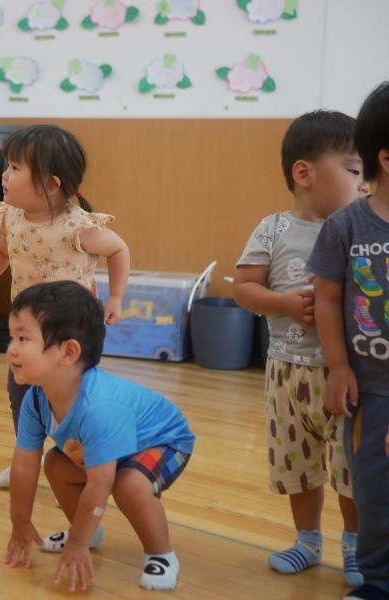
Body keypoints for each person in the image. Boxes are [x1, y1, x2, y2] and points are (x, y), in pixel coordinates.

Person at [232, 110, 369, 587]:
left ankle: (356, 546)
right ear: (304, 173)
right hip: (286, 372)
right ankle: (307, 541)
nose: (365, 182)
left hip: (346, 374)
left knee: (351, 468)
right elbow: (243, 289)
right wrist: (283, 302)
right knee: (297, 463)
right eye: (354, 170)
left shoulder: (362, 230)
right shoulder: (273, 229)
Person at [0, 124, 130, 489]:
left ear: (50, 185)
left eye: (15, 168)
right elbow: (0, 253)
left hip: (72, 332)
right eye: (7, 165)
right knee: (20, 392)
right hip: (28, 330)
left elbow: (118, 249)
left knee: (71, 402)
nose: (5, 175)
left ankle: (77, 467)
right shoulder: (11, 216)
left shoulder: (77, 226)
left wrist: (116, 297)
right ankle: (28, 457)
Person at [3, 280, 194, 591]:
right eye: (11, 337)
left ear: (68, 352)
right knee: (56, 464)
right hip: (118, 444)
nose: (11, 348)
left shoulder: (99, 407)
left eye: (23, 338)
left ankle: (161, 554)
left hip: (164, 440)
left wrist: (76, 544)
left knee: (128, 485)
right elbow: (25, 465)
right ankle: (89, 532)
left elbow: (100, 483)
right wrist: (20, 522)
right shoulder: (35, 400)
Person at [307, 81, 389, 600]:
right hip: (371, 390)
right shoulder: (345, 226)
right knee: (374, 492)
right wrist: (338, 367)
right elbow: (329, 299)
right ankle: (378, 579)